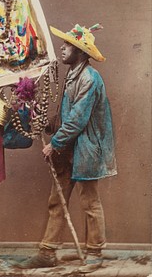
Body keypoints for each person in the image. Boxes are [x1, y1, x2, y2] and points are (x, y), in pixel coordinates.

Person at [18, 23, 117, 273]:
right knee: (57, 199)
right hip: (68, 147)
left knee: (89, 202)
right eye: (63, 45)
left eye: (68, 46)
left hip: (86, 147)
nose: (62, 49)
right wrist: (47, 122)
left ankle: (94, 252)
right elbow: (67, 115)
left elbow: (78, 119)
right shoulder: (72, 74)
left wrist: (55, 144)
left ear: (81, 53)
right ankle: (48, 251)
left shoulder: (90, 79)